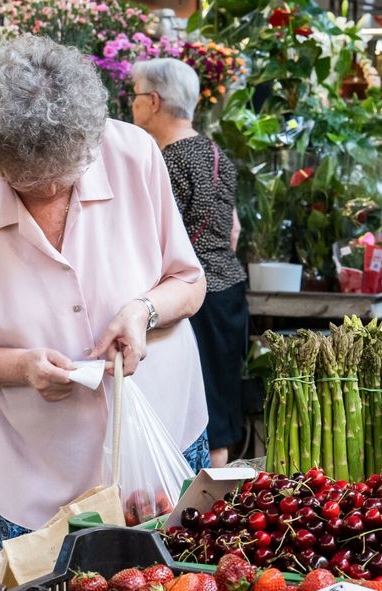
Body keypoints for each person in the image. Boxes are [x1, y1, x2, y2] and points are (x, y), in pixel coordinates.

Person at [0, 35, 209, 546]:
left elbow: (188, 282)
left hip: (164, 444)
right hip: (39, 475)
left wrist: (143, 311)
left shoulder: (132, 153)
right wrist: (20, 367)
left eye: (64, 175)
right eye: (29, 183)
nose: (51, 191)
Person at [130, 58, 248, 470]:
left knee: (198, 405)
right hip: (229, 288)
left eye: (136, 95)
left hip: (193, 296)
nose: (132, 105)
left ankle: (206, 506)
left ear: (154, 101)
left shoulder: (166, 160)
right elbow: (233, 229)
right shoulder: (217, 154)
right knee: (221, 396)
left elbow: (151, 239)